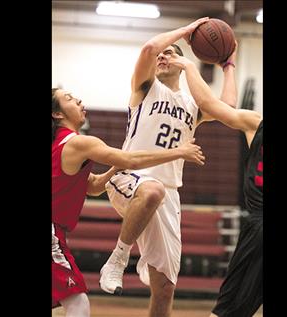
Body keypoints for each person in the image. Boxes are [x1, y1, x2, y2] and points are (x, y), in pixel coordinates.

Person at [99, 17, 238, 317]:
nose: (163, 56)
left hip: (168, 195)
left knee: (164, 290)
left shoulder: (192, 104)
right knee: (152, 190)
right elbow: (150, 47)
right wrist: (188, 31)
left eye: (171, 54)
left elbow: (229, 108)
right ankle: (118, 259)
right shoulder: (145, 88)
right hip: (130, 178)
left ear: (183, 62)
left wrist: (228, 66)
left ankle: (142, 260)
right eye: (162, 54)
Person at [51, 88, 205, 317]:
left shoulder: (60, 145)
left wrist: (115, 167)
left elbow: (92, 186)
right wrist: (179, 151)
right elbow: (131, 160)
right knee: (78, 303)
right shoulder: (79, 143)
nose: (79, 100)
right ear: (57, 114)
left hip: (58, 230)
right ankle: (117, 260)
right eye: (69, 99)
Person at [167, 51, 263, 317]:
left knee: (227, 310)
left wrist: (188, 65)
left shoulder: (257, 123)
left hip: (260, 229)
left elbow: (211, 105)